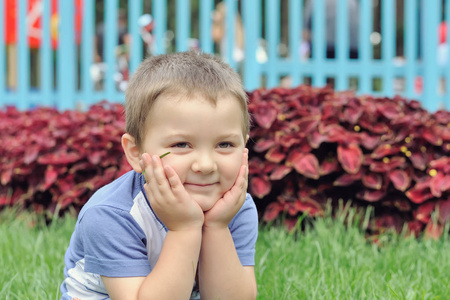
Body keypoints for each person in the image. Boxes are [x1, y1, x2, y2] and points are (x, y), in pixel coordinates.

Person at [60, 51, 259, 300]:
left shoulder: (235, 207)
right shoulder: (111, 214)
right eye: (182, 144)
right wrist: (184, 229)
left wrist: (217, 227)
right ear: (135, 152)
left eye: (225, 144)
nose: (206, 165)